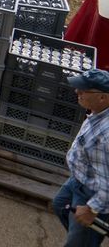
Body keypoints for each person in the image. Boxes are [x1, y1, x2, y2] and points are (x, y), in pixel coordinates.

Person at [54, 68, 109, 246]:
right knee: (60, 205)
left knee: (79, 241)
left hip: (93, 193)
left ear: (103, 97)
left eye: (84, 90)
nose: (77, 92)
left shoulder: (106, 136)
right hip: (79, 180)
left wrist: (92, 209)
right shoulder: (98, 111)